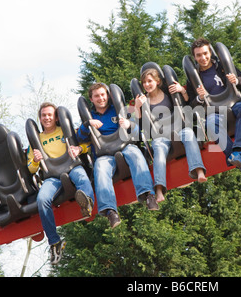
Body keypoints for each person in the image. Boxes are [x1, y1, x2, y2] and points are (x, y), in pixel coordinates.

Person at [76, 82, 157, 228]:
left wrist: (129, 124)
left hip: (125, 146)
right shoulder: (91, 116)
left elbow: (137, 131)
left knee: (136, 154)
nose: (101, 98)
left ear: (107, 95)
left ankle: (148, 195)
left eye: (103, 94)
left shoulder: (119, 110)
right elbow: (80, 138)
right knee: (100, 169)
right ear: (91, 99)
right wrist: (88, 123)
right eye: (96, 96)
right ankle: (110, 212)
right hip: (105, 154)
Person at [27, 102, 94, 265]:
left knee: (82, 179)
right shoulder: (36, 141)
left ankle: (87, 203)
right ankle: (55, 242)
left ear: (56, 117)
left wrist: (80, 149)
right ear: (40, 118)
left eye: (50, 114)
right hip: (52, 176)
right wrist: (35, 161)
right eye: (44, 115)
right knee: (42, 199)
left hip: (72, 167)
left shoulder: (67, 131)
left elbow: (88, 145)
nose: (47, 118)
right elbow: (30, 169)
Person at [134, 68, 207, 202]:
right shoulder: (144, 100)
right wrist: (137, 107)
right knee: (158, 149)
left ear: (157, 81)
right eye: (144, 82)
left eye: (149, 81)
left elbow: (185, 103)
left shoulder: (168, 92)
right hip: (160, 134)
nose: (146, 85)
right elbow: (141, 124)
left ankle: (199, 170)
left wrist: (182, 90)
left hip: (178, 127)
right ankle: (159, 189)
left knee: (189, 134)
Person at [185, 38, 241, 176]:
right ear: (194, 57)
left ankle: (238, 151)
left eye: (205, 53)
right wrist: (199, 98)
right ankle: (238, 159)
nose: (203, 58)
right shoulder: (194, 78)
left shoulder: (223, 66)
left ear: (210, 52)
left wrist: (237, 80)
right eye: (198, 55)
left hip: (233, 104)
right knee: (210, 123)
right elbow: (192, 107)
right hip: (214, 111)